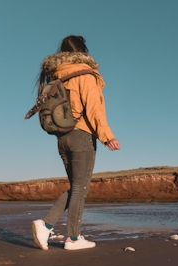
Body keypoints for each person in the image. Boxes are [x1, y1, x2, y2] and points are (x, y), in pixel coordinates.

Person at [31, 35, 120, 250]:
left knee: (76, 188)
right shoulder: (86, 74)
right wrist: (107, 135)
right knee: (80, 188)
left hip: (62, 139)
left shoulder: (56, 76)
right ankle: (69, 236)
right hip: (81, 135)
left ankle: (52, 227)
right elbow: (94, 108)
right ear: (83, 52)